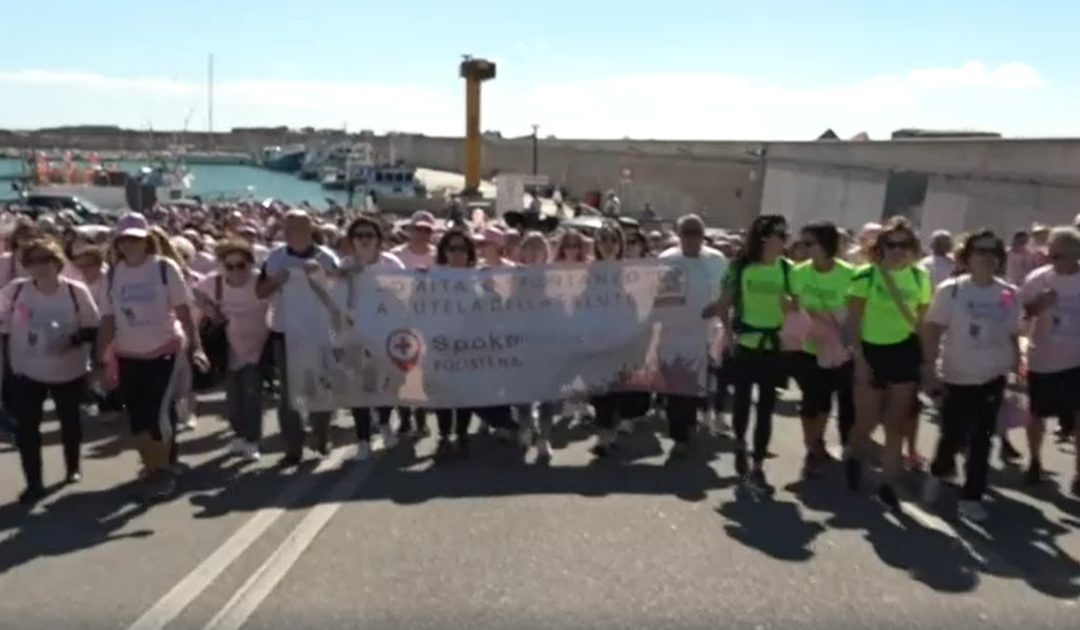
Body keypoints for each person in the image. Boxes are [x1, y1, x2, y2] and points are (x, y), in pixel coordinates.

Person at [96, 212, 205, 500]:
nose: (130, 245)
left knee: (158, 414)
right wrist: (100, 355)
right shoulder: (114, 273)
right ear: (118, 243)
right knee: (138, 416)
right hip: (129, 353)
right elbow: (108, 317)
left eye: (136, 239)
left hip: (164, 351)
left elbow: (184, 311)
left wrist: (197, 346)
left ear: (147, 241)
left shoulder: (164, 268)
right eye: (125, 240)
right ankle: (153, 465)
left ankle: (161, 472)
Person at [921, 230, 1020, 521]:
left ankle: (972, 495)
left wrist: (1015, 366)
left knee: (982, 439)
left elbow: (1012, 332)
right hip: (957, 376)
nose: (987, 257)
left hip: (992, 376)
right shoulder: (952, 290)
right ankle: (939, 470)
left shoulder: (1007, 293)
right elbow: (932, 329)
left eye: (993, 252)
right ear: (967, 256)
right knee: (953, 434)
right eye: (980, 251)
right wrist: (929, 369)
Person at [1, 238, 99, 505]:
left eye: (45, 260)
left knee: (70, 421)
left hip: (68, 369)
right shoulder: (16, 291)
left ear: (57, 262)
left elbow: (93, 326)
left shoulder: (74, 291)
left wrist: (72, 340)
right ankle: (34, 482)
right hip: (26, 370)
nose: (39, 267)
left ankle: (72, 466)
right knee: (27, 429)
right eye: (33, 261)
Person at [844, 216, 932, 511]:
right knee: (867, 421)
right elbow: (853, 321)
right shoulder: (866, 276)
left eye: (904, 245)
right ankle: (853, 453)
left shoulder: (920, 278)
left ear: (913, 248)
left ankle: (888, 483)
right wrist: (859, 360)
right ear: (880, 248)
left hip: (904, 354)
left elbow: (921, 324)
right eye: (891, 244)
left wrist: (928, 364)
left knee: (895, 423)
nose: (898, 250)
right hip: (871, 353)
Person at [702, 214, 792, 491]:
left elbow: (796, 308)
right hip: (745, 345)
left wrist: (791, 308)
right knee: (742, 401)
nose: (786, 240)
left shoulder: (788, 269)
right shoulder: (741, 268)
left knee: (766, 407)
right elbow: (725, 304)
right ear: (765, 237)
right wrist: (728, 336)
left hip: (774, 346)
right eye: (781, 234)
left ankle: (758, 463)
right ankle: (740, 443)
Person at [256, 210, 340, 466]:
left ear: (310, 229)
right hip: (285, 332)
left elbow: (343, 291)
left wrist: (321, 279)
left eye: (300, 228)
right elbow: (260, 292)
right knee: (289, 395)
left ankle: (321, 433)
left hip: (320, 334)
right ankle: (293, 448)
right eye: (289, 228)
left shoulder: (326, 258)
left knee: (321, 389)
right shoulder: (275, 258)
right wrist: (276, 281)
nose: (295, 233)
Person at [789, 221, 856, 479]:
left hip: (839, 348)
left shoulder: (850, 274)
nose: (803, 248)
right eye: (801, 243)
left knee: (827, 401)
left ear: (826, 245)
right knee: (810, 401)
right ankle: (813, 447)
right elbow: (794, 306)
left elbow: (855, 312)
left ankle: (820, 446)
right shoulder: (798, 273)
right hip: (806, 346)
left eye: (809, 243)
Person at [194, 240, 269, 462]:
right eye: (230, 266)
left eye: (241, 265)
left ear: (250, 264)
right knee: (233, 397)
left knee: (252, 393)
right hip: (228, 347)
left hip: (257, 346)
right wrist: (211, 310)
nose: (236, 271)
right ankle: (239, 435)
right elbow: (195, 293)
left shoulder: (259, 281)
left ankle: (253, 440)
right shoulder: (215, 283)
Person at [337, 216, 405, 461]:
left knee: (389, 386)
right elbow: (338, 302)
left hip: (387, 336)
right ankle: (363, 440)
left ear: (379, 240)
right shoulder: (344, 266)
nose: (364, 240)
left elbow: (404, 297)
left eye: (370, 235)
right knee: (359, 390)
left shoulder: (392, 264)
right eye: (359, 236)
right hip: (355, 337)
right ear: (352, 241)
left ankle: (384, 422)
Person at [1018, 226, 1080, 493]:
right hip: (1042, 358)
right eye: (1050, 255)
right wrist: (1037, 306)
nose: (1052, 261)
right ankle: (1035, 460)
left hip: (1076, 360)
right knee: (1037, 414)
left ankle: (1079, 473)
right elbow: (1019, 315)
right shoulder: (1038, 279)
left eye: (1059, 256)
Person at [659, 214, 727, 455]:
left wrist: (719, 307)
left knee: (695, 387)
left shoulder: (717, 260)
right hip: (671, 335)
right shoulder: (666, 260)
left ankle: (689, 424)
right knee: (674, 388)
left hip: (704, 335)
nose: (691, 239)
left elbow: (727, 292)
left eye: (696, 233)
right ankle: (679, 436)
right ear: (679, 236)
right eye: (686, 233)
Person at [433, 229, 479, 457]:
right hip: (441, 344)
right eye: (452, 248)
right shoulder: (432, 279)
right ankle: (443, 435)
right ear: (444, 252)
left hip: (470, 345)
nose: (457, 253)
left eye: (462, 248)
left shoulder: (479, 278)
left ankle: (461, 434)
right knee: (442, 392)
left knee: (464, 392)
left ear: (469, 252)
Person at [388, 210, 434, 436]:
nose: (422, 234)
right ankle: (405, 418)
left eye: (427, 230)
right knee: (401, 371)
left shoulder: (437, 257)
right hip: (400, 321)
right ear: (410, 230)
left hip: (427, 322)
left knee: (422, 374)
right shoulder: (396, 256)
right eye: (419, 229)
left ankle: (421, 419)